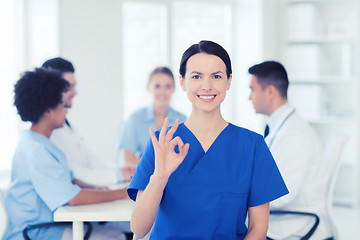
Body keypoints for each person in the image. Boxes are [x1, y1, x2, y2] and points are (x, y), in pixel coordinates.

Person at [127, 40, 289, 240]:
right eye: (196, 76)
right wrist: (160, 176)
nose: (206, 86)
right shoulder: (161, 143)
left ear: (228, 81)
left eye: (216, 76)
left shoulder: (252, 146)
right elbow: (139, 228)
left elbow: (257, 229)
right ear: (183, 82)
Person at [4, 68, 127, 240]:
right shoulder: (37, 151)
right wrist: (122, 193)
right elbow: (73, 199)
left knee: (117, 233)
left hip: (48, 225)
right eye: (62, 105)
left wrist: (95, 188)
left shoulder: (39, 142)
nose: (66, 110)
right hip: (37, 231)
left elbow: (70, 181)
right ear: (48, 111)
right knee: (117, 237)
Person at [248, 61, 332, 239]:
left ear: (270, 92)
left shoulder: (293, 134)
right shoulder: (283, 127)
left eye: (253, 89)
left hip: (296, 226)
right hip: (288, 221)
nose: (250, 97)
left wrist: (242, 193)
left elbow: (282, 195)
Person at [42, 57, 133, 184]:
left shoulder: (67, 124)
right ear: (52, 88)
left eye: (75, 86)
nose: (75, 92)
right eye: (69, 86)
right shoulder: (47, 131)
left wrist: (119, 169)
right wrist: (118, 175)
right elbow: (72, 174)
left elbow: (89, 160)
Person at [117, 66, 186, 172]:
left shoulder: (181, 119)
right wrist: (161, 167)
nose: (162, 92)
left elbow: (184, 157)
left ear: (174, 88)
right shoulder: (135, 119)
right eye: (157, 86)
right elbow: (128, 160)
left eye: (167, 86)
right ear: (148, 87)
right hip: (143, 180)